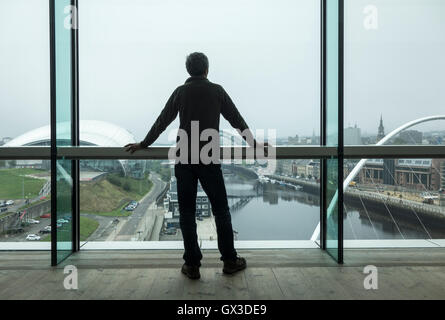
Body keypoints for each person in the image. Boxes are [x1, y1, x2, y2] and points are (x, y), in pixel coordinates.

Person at [125, 52, 265, 280]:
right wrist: (254, 144)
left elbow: (163, 121)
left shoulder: (180, 92)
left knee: (187, 213)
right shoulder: (217, 91)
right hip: (209, 159)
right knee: (221, 210)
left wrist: (143, 143)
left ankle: (192, 265)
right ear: (207, 70)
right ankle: (229, 260)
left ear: (188, 70)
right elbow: (236, 120)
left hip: (184, 160)